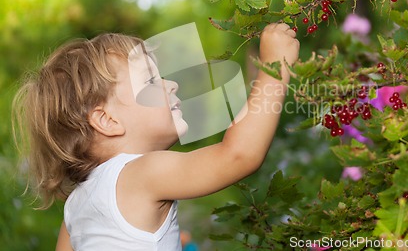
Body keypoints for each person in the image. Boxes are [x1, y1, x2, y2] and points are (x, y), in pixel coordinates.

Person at [12, 23, 299, 250]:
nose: (171, 84)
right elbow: (238, 154)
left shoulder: (76, 206)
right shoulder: (142, 173)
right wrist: (275, 66)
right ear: (107, 120)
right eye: (151, 80)